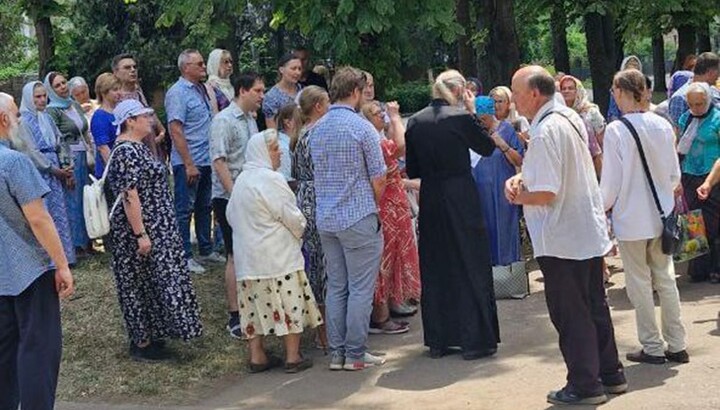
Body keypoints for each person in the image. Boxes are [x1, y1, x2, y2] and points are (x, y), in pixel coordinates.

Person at [505, 66, 625, 405]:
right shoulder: (568, 117)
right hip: (583, 229)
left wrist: (515, 193)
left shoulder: (546, 130)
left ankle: (585, 384)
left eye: (516, 93)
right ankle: (610, 373)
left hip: (561, 236)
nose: (513, 100)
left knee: (571, 313)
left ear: (534, 94)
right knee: (593, 305)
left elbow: (545, 192)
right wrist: (523, 181)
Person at [405, 70, 500, 361]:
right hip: (460, 193)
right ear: (460, 90)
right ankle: (476, 339)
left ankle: (440, 339)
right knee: (470, 261)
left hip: (432, 195)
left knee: (436, 263)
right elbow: (486, 146)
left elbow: (413, 169)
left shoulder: (415, 121)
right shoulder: (460, 118)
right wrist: (472, 112)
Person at [600, 69, 689, 365]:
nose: (613, 95)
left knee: (639, 284)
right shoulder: (662, 125)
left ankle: (652, 347)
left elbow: (610, 182)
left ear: (623, 92)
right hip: (662, 216)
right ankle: (677, 344)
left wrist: (601, 208)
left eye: (615, 90)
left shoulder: (616, 130)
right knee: (666, 280)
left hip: (630, 219)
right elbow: (674, 174)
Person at [106, 99, 203, 362]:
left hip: (156, 226)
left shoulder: (138, 148)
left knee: (153, 282)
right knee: (137, 284)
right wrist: (141, 234)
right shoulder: (127, 152)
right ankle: (142, 342)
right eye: (144, 116)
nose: (151, 120)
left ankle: (153, 335)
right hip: (141, 230)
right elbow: (130, 196)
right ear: (130, 121)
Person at [309, 66, 387, 371]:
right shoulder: (362, 127)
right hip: (357, 216)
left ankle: (338, 353)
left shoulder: (316, 128)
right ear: (355, 92)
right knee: (360, 288)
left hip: (326, 218)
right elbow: (378, 177)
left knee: (337, 286)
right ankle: (355, 353)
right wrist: (372, 206)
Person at [0, 92, 75, 410]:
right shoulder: (14, 162)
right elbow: (39, 218)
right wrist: (62, 264)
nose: (19, 120)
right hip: (30, 269)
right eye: (16, 114)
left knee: (3, 354)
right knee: (38, 351)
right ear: (4, 120)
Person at [227, 129, 321, 373]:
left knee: (253, 307)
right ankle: (293, 356)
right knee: (289, 303)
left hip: (249, 260)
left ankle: (257, 356)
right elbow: (291, 216)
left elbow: (230, 216)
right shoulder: (272, 179)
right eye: (273, 148)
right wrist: (301, 228)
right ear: (261, 152)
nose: (279, 151)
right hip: (278, 258)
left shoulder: (241, 181)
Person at [210, 72, 264, 338]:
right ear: (243, 91)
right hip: (228, 198)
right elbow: (218, 161)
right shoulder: (223, 120)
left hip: (251, 194)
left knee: (249, 251)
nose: (261, 96)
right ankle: (234, 315)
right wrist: (235, 194)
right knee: (234, 254)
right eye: (257, 91)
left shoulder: (251, 120)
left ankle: (252, 306)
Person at [360, 100, 420, 335]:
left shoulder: (376, 137)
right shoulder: (374, 141)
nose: (382, 118)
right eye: (377, 114)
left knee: (395, 254)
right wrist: (396, 117)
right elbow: (401, 147)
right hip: (385, 203)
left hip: (394, 202)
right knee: (384, 257)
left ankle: (393, 302)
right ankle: (380, 316)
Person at [165, 49, 226, 274]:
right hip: (188, 161)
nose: (203, 67)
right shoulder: (178, 92)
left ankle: (206, 248)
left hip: (207, 158)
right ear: (185, 67)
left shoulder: (203, 88)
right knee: (184, 208)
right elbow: (176, 128)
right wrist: (188, 163)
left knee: (205, 205)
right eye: (199, 64)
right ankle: (183, 255)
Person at [16, 81, 76, 266]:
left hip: (56, 166)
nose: (42, 100)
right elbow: (31, 151)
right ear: (29, 98)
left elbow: (60, 141)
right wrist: (52, 169)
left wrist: (66, 164)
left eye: (44, 96)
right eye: (38, 97)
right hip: (40, 172)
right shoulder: (24, 121)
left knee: (60, 212)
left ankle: (65, 256)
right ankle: (50, 260)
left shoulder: (47, 118)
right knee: (45, 213)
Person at [293, 85, 331, 349]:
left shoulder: (302, 135)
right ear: (318, 106)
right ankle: (325, 335)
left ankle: (326, 333)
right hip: (317, 198)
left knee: (318, 265)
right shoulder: (315, 134)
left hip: (306, 197)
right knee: (321, 266)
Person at [473, 93, 524, 272]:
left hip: (502, 193)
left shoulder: (506, 129)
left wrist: (503, 145)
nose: (482, 123)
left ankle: (510, 275)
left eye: (485, 119)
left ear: (491, 114)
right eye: (478, 120)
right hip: (479, 194)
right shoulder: (474, 134)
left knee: (505, 231)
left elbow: (518, 160)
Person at [44, 71, 93, 256]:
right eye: (57, 85)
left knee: (85, 198)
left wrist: (91, 151)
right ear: (51, 89)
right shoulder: (52, 110)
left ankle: (88, 240)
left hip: (83, 156)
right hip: (69, 160)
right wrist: (66, 166)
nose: (63, 87)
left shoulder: (74, 105)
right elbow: (57, 139)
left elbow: (84, 130)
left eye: (64, 82)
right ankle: (76, 245)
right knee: (72, 200)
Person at [677, 82, 720, 283]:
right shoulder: (685, 119)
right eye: (692, 104)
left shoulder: (718, 118)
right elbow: (677, 150)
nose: (696, 108)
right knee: (693, 221)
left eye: (700, 104)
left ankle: (715, 267)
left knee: (713, 223)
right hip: (689, 175)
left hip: (713, 175)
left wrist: (710, 181)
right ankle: (698, 268)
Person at [111, 53, 166, 159]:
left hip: (153, 148)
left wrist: (161, 131)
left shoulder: (138, 91)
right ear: (116, 72)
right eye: (127, 68)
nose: (132, 70)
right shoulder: (116, 97)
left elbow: (148, 111)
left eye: (134, 67)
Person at [559, 75, 605, 176]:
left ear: (577, 90)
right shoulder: (559, 114)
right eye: (563, 89)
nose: (566, 91)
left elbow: (602, 140)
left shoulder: (591, 112)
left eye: (570, 88)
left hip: (593, 162)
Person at [669, 52, 720, 127]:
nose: (718, 76)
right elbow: (678, 132)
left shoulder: (714, 92)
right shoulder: (680, 98)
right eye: (718, 72)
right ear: (710, 72)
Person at [90, 73, 122, 178]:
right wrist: (117, 171)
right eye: (115, 90)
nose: (119, 93)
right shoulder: (100, 117)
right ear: (104, 92)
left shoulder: (118, 112)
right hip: (110, 170)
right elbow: (103, 148)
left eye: (119, 89)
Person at [262, 53, 303, 129]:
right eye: (293, 69)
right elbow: (272, 130)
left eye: (299, 69)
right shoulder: (271, 97)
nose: (297, 72)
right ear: (281, 70)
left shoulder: (304, 91)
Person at [607, 55, 642, 122]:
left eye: (635, 66)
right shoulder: (617, 89)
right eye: (629, 66)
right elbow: (613, 114)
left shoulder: (643, 89)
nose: (633, 69)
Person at [275, 103, 302, 184]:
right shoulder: (283, 148)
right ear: (288, 123)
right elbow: (286, 182)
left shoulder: (294, 145)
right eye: (301, 120)